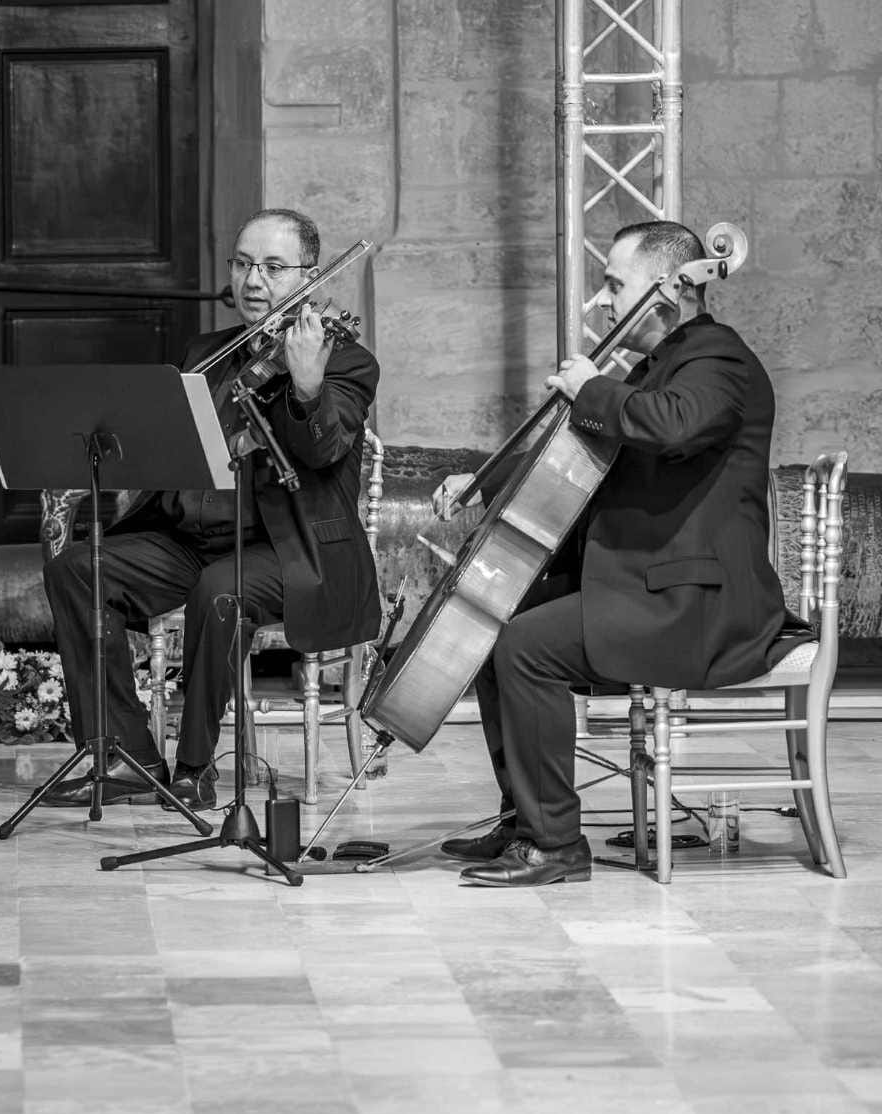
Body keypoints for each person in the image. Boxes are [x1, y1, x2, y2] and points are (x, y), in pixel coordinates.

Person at [431, 220, 797, 887]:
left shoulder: (719, 356)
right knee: (488, 628)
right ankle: (525, 818)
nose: (599, 302)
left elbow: (673, 424)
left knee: (524, 646)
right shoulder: (659, 366)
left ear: (670, 287)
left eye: (612, 284)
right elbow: (584, 458)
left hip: (696, 600)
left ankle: (557, 845)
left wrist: (592, 389)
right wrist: (483, 481)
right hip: (645, 582)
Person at [40, 208, 383, 809]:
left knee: (222, 590)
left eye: (273, 267)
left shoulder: (346, 361)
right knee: (77, 568)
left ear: (311, 278)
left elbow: (325, 446)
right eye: (243, 263)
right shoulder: (208, 350)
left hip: (284, 548)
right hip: (185, 538)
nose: (253, 281)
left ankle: (194, 767)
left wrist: (305, 385)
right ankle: (124, 756)